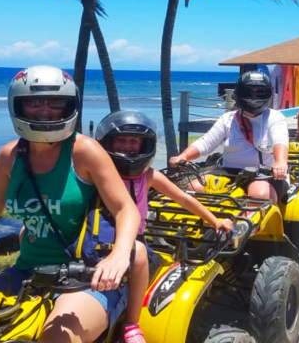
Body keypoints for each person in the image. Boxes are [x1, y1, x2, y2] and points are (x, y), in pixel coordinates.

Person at [0, 65, 141, 343]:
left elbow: (126, 208)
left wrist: (118, 255)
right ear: (17, 105)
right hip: (27, 269)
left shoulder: (85, 151)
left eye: (56, 101)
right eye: (33, 101)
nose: (45, 110)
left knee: (56, 338)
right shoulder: (10, 155)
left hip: (88, 272)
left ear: (70, 105)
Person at [94, 110, 233, 343]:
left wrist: (215, 220)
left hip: (133, 243)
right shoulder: (96, 175)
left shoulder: (147, 176)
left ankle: (131, 324)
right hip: (96, 240)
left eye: (134, 141)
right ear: (107, 143)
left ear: (144, 145)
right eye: (121, 140)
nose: (128, 147)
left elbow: (184, 199)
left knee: (140, 259)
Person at [169, 71, 289, 203]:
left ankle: (264, 223)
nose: (254, 97)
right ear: (239, 93)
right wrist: (184, 156)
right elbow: (206, 142)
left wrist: (280, 162)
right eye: (248, 92)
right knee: (194, 187)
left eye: (260, 92)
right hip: (229, 172)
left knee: (259, 194)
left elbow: (280, 140)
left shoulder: (274, 117)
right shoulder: (228, 119)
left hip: (265, 174)